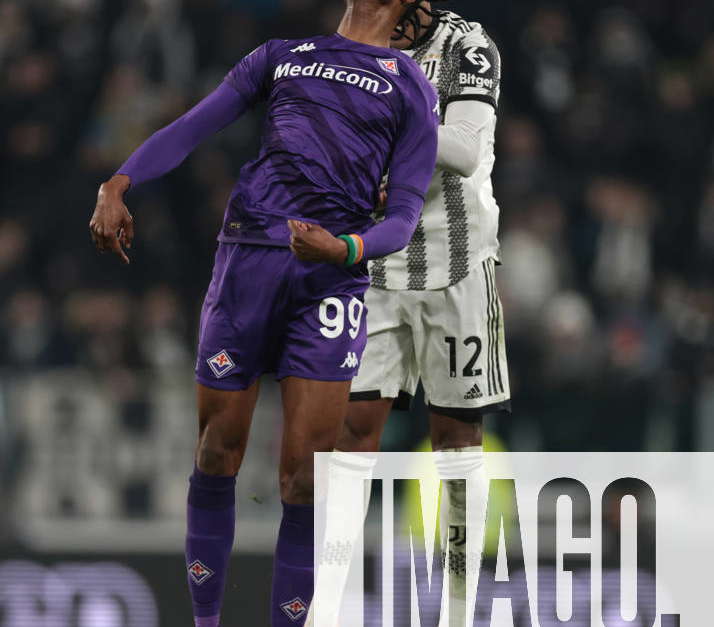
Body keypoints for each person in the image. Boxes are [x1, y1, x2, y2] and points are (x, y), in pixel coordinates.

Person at [88, 0, 439, 624]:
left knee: (305, 479)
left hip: (330, 284)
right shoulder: (280, 56)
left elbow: (404, 218)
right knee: (218, 449)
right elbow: (192, 127)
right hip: (248, 259)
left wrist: (345, 248)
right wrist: (118, 183)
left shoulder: (410, 86)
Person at [333, 1, 510, 623]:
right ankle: (330, 598)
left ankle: (460, 607)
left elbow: (462, 149)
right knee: (351, 430)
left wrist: (387, 110)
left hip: (455, 264)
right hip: (375, 268)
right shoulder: (351, 41)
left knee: (456, 437)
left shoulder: (470, 45)